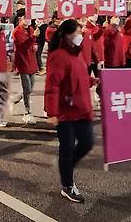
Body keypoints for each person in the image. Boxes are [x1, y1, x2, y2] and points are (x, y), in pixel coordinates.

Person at [44, 19, 94, 204]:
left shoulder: (78, 54)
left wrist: (93, 81)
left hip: (82, 109)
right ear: (67, 34)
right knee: (66, 148)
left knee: (87, 143)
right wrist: (52, 113)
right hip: (65, 112)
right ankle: (67, 185)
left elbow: (80, 77)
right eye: (78, 32)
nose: (82, 35)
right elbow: (53, 85)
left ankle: (65, 166)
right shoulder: (58, 56)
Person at [12, 9, 39, 124]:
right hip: (23, 63)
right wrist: (33, 37)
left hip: (32, 62)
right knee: (27, 88)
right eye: (25, 18)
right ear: (20, 19)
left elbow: (32, 43)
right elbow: (22, 46)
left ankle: (17, 98)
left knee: (30, 88)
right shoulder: (16, 31)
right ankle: (27, 112)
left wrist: (35, 44)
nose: (28, 20)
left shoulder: (31, 29)